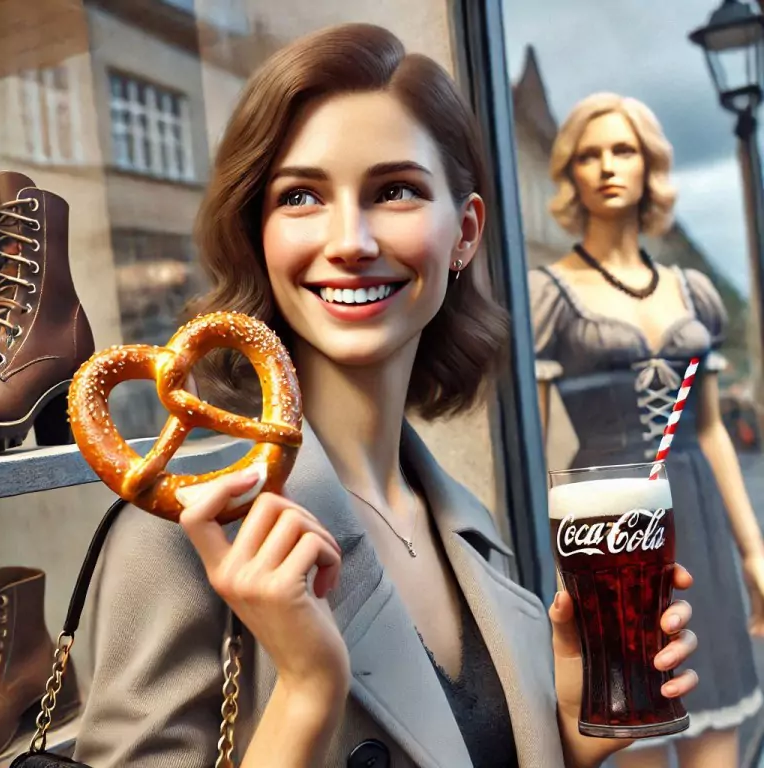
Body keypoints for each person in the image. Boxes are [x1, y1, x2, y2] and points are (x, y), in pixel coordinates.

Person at [73, 30, 698, 768]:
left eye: (394, 190)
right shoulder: (183, 532)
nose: (350, 241)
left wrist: (564, 730)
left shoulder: (472, 528)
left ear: (463, 233)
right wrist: (307, 691)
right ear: (260, 233)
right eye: (301, 196)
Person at [530, 92, 763, 768]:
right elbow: (538, 443)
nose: (607, 167)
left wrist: (752, 551)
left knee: (715, 725)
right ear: (570, 172)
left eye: (623, 150)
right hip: (609, 527)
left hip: (697, 516)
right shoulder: (551, 293)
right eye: (590, 153)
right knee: (633, 723)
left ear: (649, 166)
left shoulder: (693, 291)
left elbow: (713, 430)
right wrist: (558, 568)